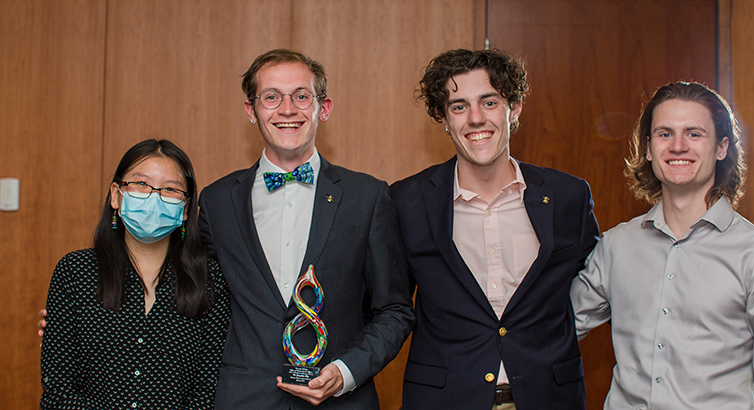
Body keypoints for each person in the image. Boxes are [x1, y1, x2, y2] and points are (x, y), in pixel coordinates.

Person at [197, 49, 414, 409]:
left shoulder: (368, 197)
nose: (287, 109)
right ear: (251, 111)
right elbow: (203, 306)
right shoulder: (217, 201)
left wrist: (346, 371)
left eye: (301, 96)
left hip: (341, 402)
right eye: (271, 97)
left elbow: (395, 309)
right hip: (244, 399)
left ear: (323, 108)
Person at [570, 82, 754, 409]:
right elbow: (555, 327)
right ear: (648, 149)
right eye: (665, 134)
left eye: (694, 134)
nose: (678, 146)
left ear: (722, 148)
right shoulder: (615, 246)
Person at [390, 49, 599, 409]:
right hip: (444, 400)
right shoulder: (406, 201)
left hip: (549, 397)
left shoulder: (568, 196)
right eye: (458, 106)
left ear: (513, 108)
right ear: (443, 117)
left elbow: (597, 286)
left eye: (489, 102)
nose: (475, 118)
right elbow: (389, 307)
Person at [40, 139, 231, 409]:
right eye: (141, 184)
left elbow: (208, 390)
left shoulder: (210, 280)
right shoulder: (75, 272)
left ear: (185, 208)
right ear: (116, 195)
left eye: (170, 189)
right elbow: (58, 390)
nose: (154, 196)